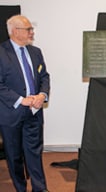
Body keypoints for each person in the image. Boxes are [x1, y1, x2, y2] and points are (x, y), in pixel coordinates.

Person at [0, 15, 50, 192]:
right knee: (14, 157)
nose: (32, 32)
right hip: (11, 114)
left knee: (34, 153)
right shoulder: (1, 52)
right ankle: (20, 188)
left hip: (34, 112)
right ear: (15, 31)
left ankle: (40, 188)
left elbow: (44, 76)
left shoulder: (36, 52)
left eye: (31, 29)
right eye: (28, 29)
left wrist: (42, 95)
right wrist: (22, 100)